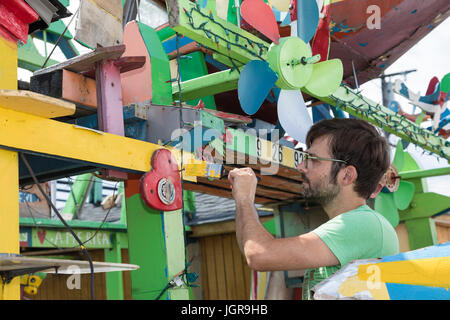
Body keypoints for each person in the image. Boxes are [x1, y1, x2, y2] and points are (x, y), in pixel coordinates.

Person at [228, 118, 400, 300]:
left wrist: (245, 199)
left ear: (347, 175)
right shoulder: (356, 226)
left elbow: (259, 254)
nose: (302, 166)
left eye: (314, 159)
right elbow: (253, 250)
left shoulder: (364, 225)